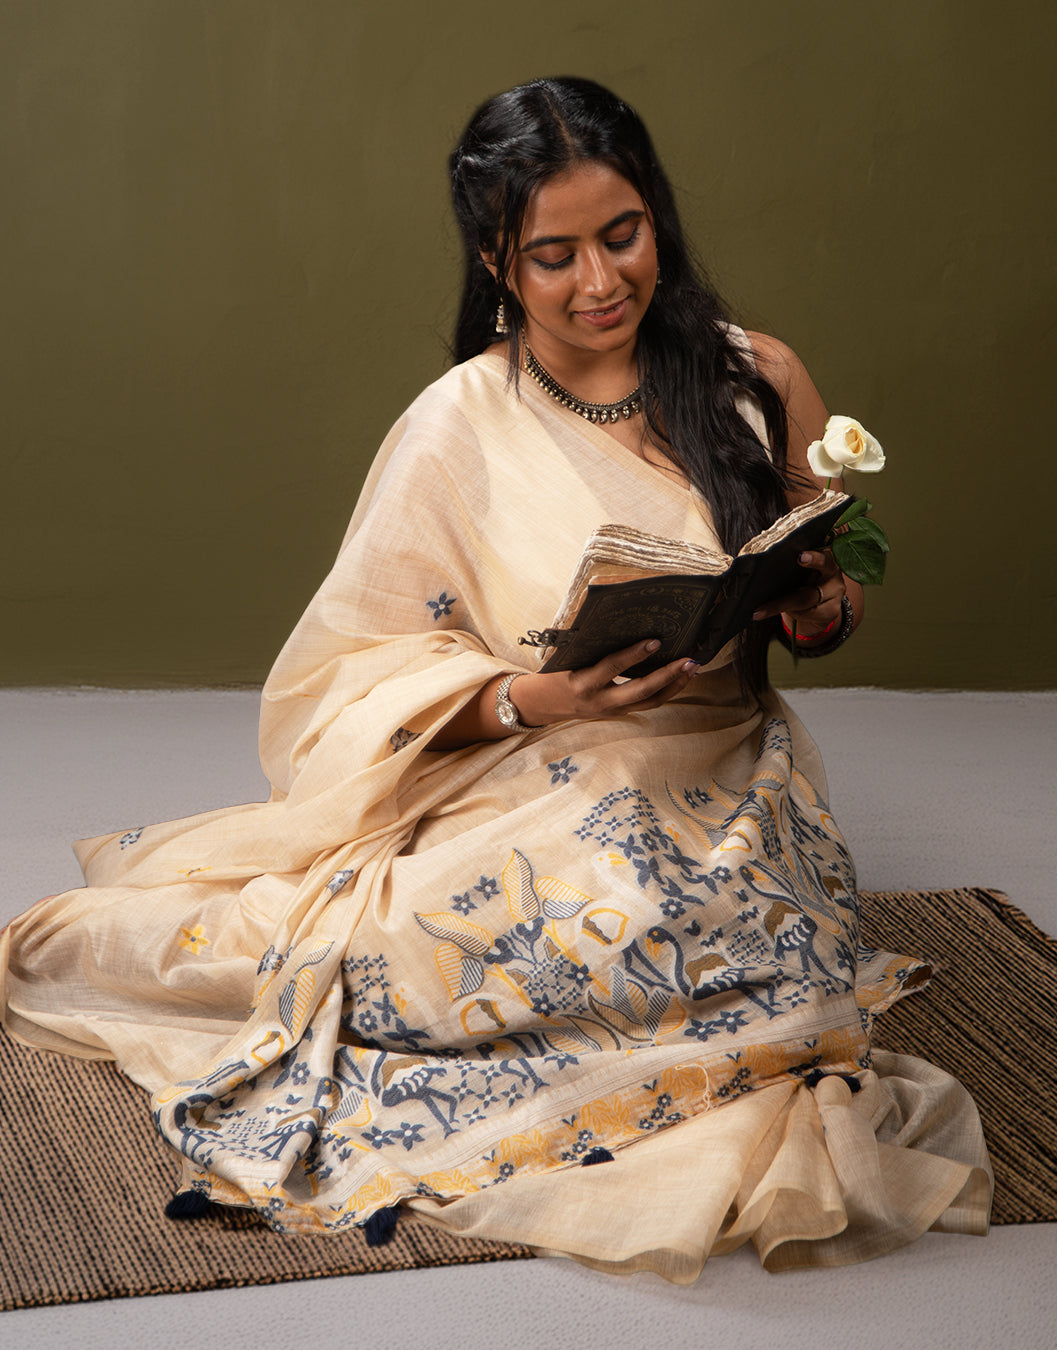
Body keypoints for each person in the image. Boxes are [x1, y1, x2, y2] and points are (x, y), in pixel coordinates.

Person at [0, 77, 991, 1280]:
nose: (600, 282)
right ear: (497, 263)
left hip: (734, 779)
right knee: (438, 964)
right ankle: (124, 951)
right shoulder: (458, 422)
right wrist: (542, 698)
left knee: (753, 944)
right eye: (554, 255)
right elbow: (349, 667)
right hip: (538, 772)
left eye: (622, 237)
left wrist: (819, 602)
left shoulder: (755, 377)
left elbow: (832, 614)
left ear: (657, 217)